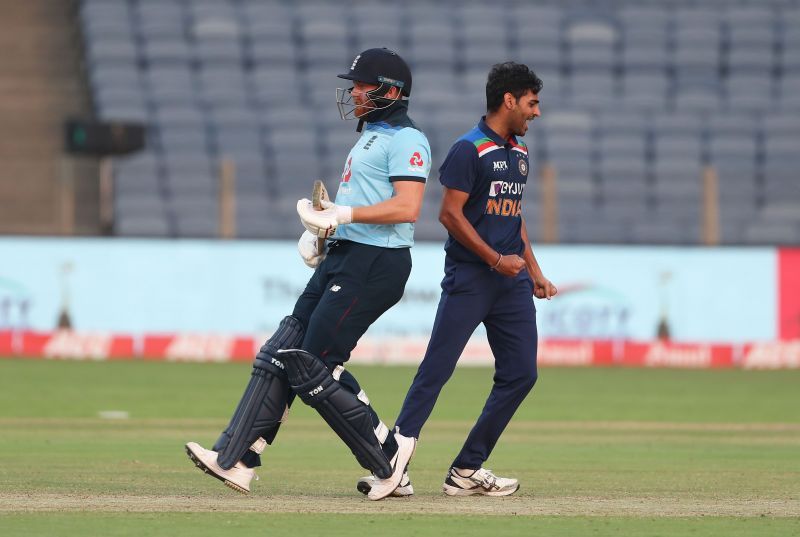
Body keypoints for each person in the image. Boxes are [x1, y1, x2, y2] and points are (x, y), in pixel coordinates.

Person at [185, 47, 430, 496]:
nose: (353, 92)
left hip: (376, 263)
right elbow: (355, 206)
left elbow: (408, 207)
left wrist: (344, 215)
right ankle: (236, 458)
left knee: (312, 365)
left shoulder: (407, 140)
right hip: (347, 256)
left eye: (362, 85)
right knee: (283, 348)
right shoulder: (371, 135)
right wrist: (324, 235)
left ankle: (389, 460)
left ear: (391, 91)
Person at [366, 62, 558, 500]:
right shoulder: (468, 149)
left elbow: (513, 216)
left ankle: (467, 468)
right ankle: (392, 465)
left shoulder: (521, 154)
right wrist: (493, 259)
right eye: (532, 103)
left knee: (521, 374)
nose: (537, 112)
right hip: (472, 278)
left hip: (511, 284)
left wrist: (534, 271)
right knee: (437, 368)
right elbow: (448, 215)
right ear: (509, 100)